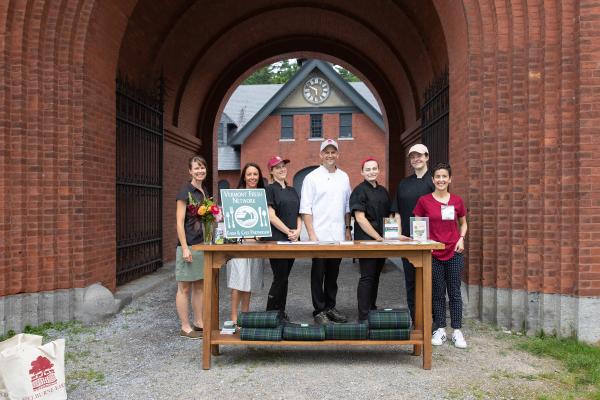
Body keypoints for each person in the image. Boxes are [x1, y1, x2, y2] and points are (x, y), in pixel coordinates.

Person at [413, 162, 468, 348]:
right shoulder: (424, 201)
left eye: (445, 176)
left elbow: (463, 223)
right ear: (433, 179)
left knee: (454, 292)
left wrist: (462, 238)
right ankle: (441, 330)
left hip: (454, 251)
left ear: (450, 179)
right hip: (433, 253)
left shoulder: (457, 201)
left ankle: (457, 331)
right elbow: (418, 225)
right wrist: (422, 242)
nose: (441, 180)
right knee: (436, 293)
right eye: (438, 177)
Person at [300, 138, 352, 325]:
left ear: (337, 154)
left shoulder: (344, 177)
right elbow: (306, 209)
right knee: (318, 273)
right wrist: (312, 234)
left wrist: (347, 229)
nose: (330, 155)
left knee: (333, 274)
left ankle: (331, 307)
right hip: (319, 235)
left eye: (333, 152)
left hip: (337, 235)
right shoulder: (311, 177)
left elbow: (347, 207)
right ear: (321, 154)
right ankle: (319, 310)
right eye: (326, 152)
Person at [390, 143, 435, 323]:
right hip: (408, 239)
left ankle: (431, 320)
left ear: (427, 157)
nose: (416, 159)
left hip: (431, 241)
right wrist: (397, 234)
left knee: (430, 281)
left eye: (420, 155)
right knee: (411, 280)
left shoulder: (434, 181)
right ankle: (414, 318)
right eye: (413, 156)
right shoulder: (404, 183)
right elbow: (397, 211)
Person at [349, 157, 393, 322]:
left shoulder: (383, 191)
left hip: (382, 239)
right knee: (367, 276)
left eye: (374, 168)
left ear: (379, 170)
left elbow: (389, 217)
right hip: (367, 239)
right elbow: (360, 218)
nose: (371, 172)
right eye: (368, 169)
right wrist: (377, 237)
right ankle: (364, 315)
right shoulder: (359, 191)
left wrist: (393, 235)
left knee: (376, 275)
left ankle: (372, 307)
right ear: (362, 172)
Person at [226, 163, 265, 324]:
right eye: (249, 174)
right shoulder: (235, 196)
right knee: (238, 281)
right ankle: (234, 317)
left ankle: (245, 315)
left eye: (255, 174)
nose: (252, 177)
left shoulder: (263, 196)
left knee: (249, 281)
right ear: (244, 177)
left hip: (255, 245)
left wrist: (259, 236)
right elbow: (230, 221)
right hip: (239, 245)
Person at [175, 156, 209, 339]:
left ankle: (199, 322)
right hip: (187, 245)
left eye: (202, 167)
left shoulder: (204, 190)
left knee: (200, 286)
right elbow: (179, 223)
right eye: (196, 168)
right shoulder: (184, 191)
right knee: (184, 287)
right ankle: (185, 326)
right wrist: (185, 247)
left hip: (201, 244)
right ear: (190, 171)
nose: (200, 171)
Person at [264, 156, 302, 322]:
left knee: (285, 276)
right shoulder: (269, 189)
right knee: (279, 276)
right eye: (277, 167)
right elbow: (271, 216)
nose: (281, 169)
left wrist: (297, 231)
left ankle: (281, 311)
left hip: (292, 239)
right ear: (271, 171)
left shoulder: (292, 190)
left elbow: (299, 214)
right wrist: (288, 231)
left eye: (283, 166)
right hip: (277, 239)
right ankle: (270, 312)